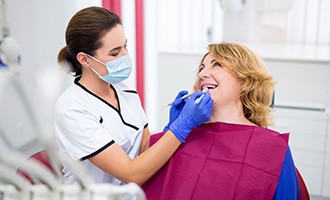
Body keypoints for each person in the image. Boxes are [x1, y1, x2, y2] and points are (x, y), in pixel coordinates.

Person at [54, 6, 213, 186]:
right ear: (84, 59)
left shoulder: (124, 88)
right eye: (115, 52)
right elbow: (131, 173)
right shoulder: (72, 109)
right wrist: (182, 126)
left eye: (125, 46)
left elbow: (143, 150)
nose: (126, 56)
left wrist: (169, 129)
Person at [142, 42, 300, 199]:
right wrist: (170, 130)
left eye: (216, 64)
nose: (202, 74)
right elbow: (144, 179)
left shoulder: (273, 148)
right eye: (201, 68)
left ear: (245, 81)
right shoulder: (179, 137)